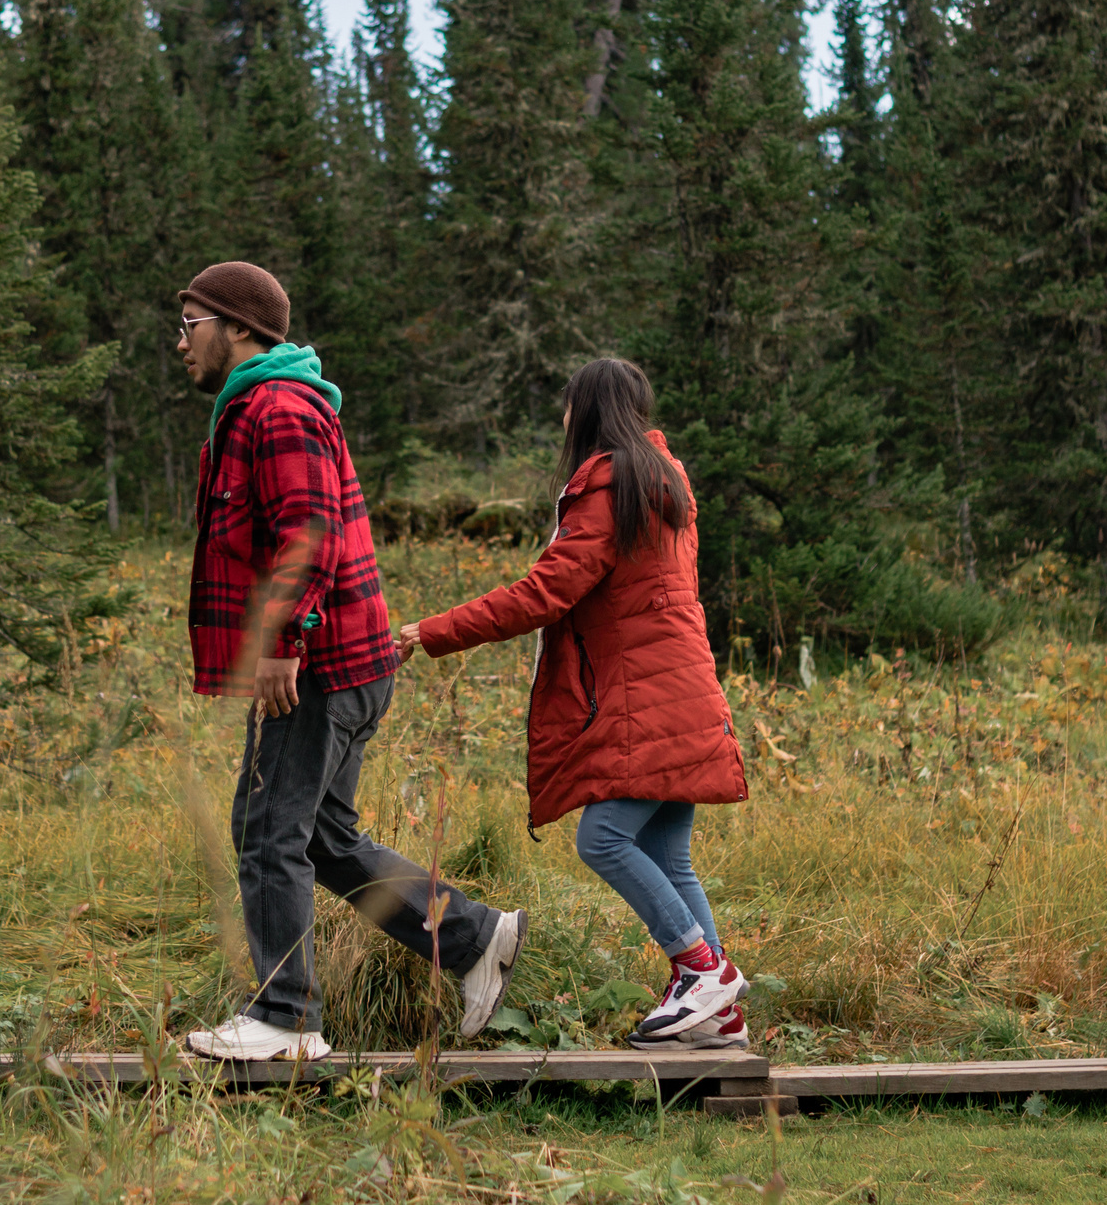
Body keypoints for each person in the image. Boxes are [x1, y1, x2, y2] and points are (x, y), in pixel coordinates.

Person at [173, 260, 527, 1061]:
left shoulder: (276, 406)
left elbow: (310, 531)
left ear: (239, 328)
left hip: (320, 663)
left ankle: (286, 1017)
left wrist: (282, 643)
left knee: (266, 832)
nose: (180, 342)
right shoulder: (266, 404)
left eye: (190, 325)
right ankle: (473, 938)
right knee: (323, 840)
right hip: (349, 661)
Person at [397, 358, 751, 1051]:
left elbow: (543, 594)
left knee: (604, 837)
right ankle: (719, 1015)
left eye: (567, 406)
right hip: (682, 684)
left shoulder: (611, 487)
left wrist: (433, 630)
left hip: (642, 695)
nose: (562, 418)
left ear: (586, 411)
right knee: (669, 857)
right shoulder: (665, 481)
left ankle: (702, 969)